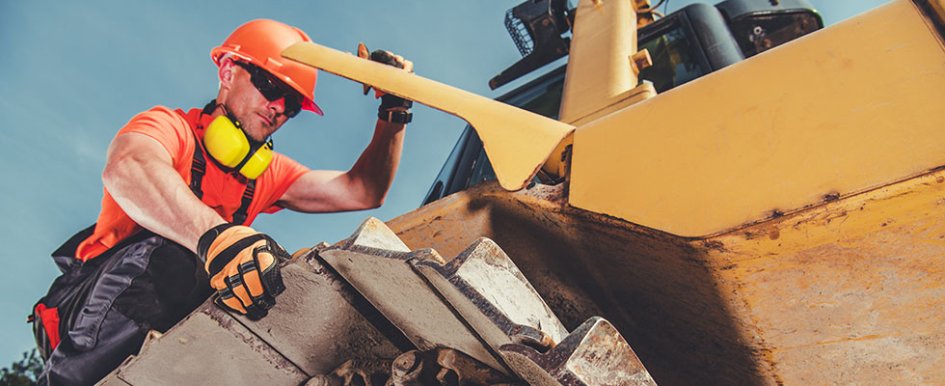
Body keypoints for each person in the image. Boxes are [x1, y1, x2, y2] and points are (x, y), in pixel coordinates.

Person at [30, 19, 414, 385]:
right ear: (228, 71)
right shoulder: (171, 127)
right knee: (175, 257)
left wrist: (394, 112)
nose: (278, 107)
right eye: (268, 84)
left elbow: (363, 190)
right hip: (92, 308)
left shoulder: (262, 174)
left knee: (272, 273)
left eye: (292, 103)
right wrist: (214, 236)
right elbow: (128, 167)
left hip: (174, 320)